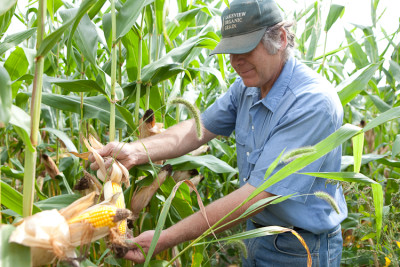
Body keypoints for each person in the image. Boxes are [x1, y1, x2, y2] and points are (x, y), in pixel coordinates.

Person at [90, 0, 347, 265]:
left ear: (280, 39)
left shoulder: (312, 103)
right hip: (255, 235)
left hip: (300, 249)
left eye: (245, 49)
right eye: (230, 51)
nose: (235, 61)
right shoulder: (247, 87)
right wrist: (135, 151)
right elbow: (195, 129)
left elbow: (255, 197)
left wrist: (163, 238)